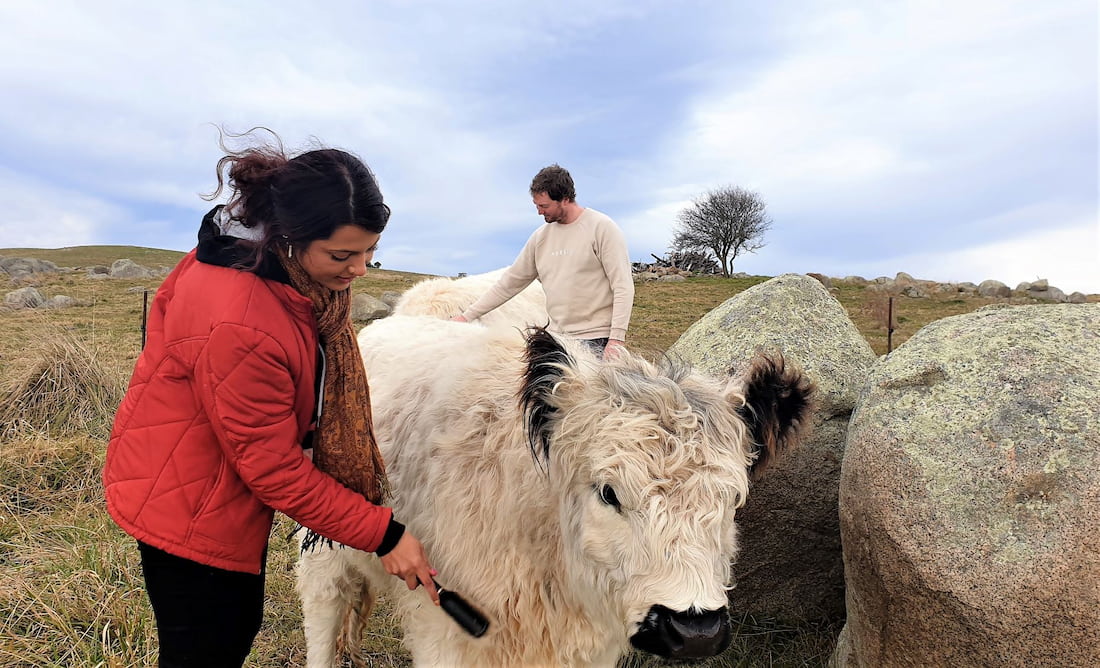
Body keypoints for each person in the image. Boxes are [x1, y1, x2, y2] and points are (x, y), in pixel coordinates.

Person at [102, 131, 438, 667]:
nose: (359, 270)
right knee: (215, 637)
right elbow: (273, 469)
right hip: (188, 505)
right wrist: (384, 533)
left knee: (228, 626)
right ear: (290, 236)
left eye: (371, 251)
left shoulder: (252, 261)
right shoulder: (245, 320)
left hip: (186, 466)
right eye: (342, 254)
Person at [452, 164, 634, 359]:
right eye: (537, 205)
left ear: (565, 199)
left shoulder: (602, 228)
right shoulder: (540, 238)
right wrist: (466, 316)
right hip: (557, 341)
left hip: (597, 340)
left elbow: (623, 285)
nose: (539, 212)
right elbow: (509, 283)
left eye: (544, 206)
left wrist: (616, 339)